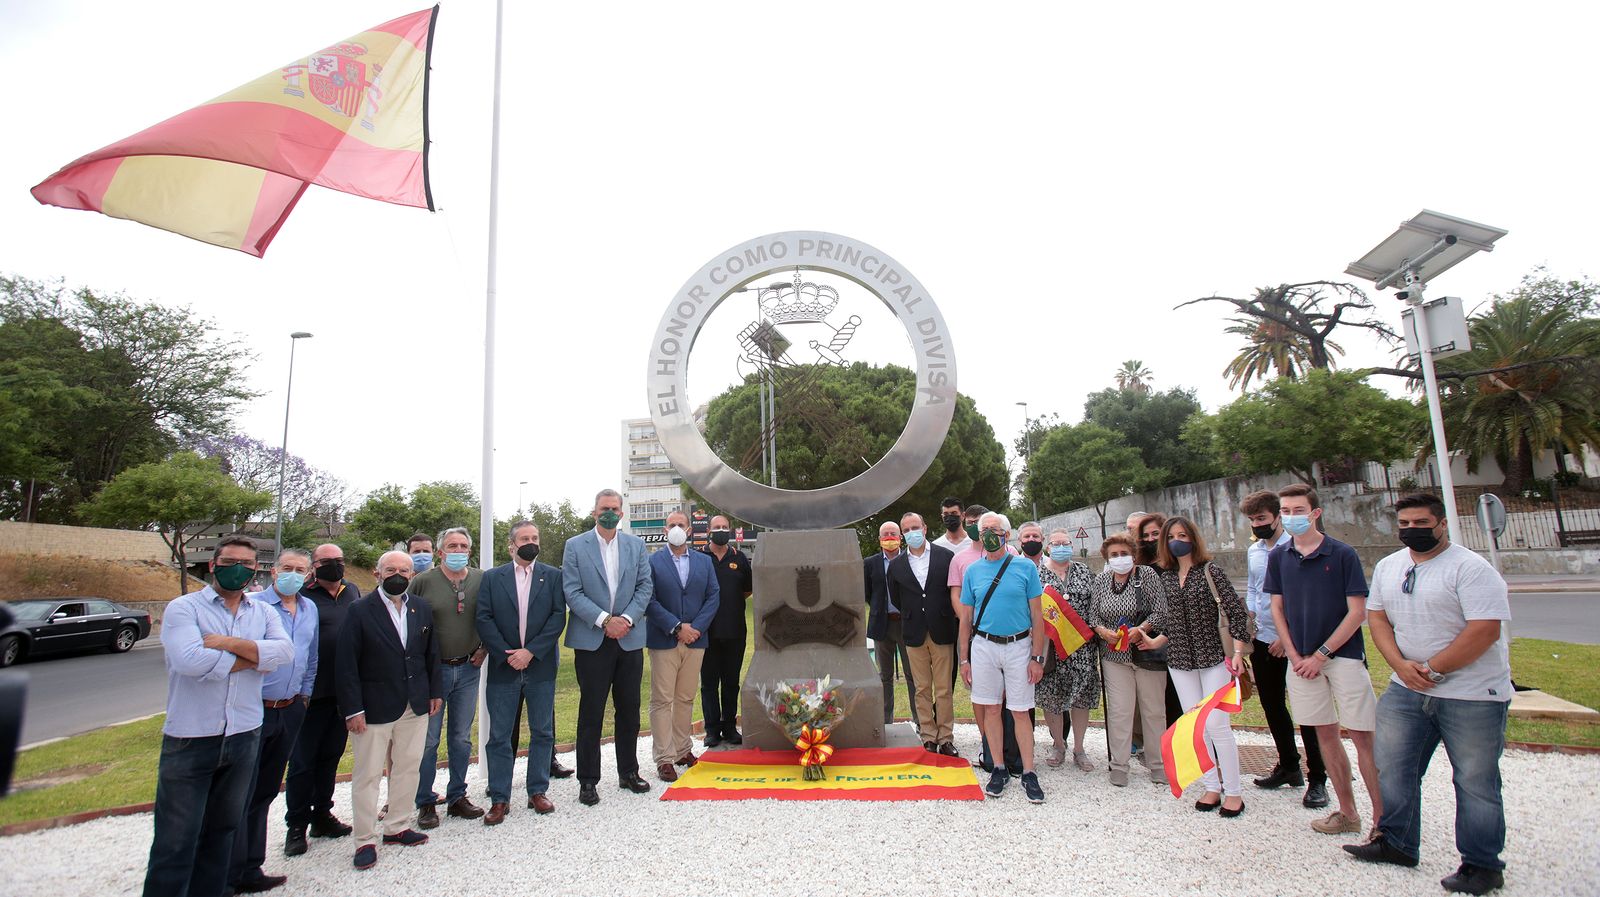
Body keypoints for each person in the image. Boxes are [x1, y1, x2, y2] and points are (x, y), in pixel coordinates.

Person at [1344, 494, 1513, 896]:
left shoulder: (1472, 569)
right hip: (1406, 689)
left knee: (1475, 780)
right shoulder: (1389, 566)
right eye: (1404, 523)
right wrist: (1401, 666)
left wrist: (1434, 668)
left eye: (1421, 522)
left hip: (1472, 694)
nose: (1411, 530)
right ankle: (1396, 841)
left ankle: (1482, 864)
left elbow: (1484, 630)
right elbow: (1378, 619)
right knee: (1394, 767)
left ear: (1442, 524)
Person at [144, 534, 293, 897]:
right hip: (191, 738)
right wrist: (255, 658)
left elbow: (284, 654)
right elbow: (189, 661)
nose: (237, 570)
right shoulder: (185, 608)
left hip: (244, 733)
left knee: (223, 832)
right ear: (213, 565)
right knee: (176, 841)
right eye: (229, 563)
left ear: (255, 569)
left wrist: (224, 643)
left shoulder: (262, 611)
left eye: (246, 564)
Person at [1266, 483, 1381, 839]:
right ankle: (1348, 812)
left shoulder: (1342, 554)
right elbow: (1277, 608)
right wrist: (1296, 653)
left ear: (1315, 513)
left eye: (1298, 510)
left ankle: (1384, 821)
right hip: (1300, 662)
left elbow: (1356, 612)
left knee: (1363, 737)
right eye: (1285, 511)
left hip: (1341, 657)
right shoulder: (1279, 557)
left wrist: (1321, 655)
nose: (1290, 517)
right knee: (1324, 736)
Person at [1138, 516, 1250, 817]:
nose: (1177, 540)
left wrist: (1238, 652)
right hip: (1180, 660)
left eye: (1182, 534)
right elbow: (1171, 621)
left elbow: (1235, 613)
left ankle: (1235, 792)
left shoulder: (1210, 571)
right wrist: (1154, 641)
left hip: (1213, 657)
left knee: (1216, 725)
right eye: (1172, 535)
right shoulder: (1167, 577)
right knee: (1196, 727)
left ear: (1193, 537)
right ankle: (1211, 786)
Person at [337, 550, 442, 870]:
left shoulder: (420, 607)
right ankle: (365, 839)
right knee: (367, 774)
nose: (398, 575)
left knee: (408, 767)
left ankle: (397, 826)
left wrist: (434, 692)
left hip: (415, 703)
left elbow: (429, 653)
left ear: (412, 575)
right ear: (377, 573)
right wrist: (353, 709)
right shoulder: (358, 610)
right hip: (373, 707)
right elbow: (346, 664)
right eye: (391, 569)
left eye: (405, 570)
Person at [230, 549, 319, 894]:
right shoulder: (253, 606)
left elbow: (310, 658)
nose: (293, 574)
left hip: (291, 706)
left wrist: (305, 695)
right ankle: (229, 868)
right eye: (287, 568)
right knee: (240, 791)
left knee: (266, 789)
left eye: (300, 569)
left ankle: (251, 866)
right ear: (274, 570)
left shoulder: (308, 608)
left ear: (308, 574)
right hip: (254, 708)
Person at [562, 488, 654, 805]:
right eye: (604, 508)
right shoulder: (575, 546)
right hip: (593, 640)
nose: (609, 512)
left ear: (622, 513)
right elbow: (572, 592)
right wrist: (605, 620)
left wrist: (626, 619)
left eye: (615, 508)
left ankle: (628, 772)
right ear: (594, 512)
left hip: (629, 639)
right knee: (592, 711)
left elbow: (645, 586)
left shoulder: (636, 545)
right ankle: (588, 781)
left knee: (629, 709)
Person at [1241, 489, 1329, 809]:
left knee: (1307, 709)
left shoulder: (1296, 548)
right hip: (1263, 638)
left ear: (1278, 516)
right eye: (1252, 520)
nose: (1257, 524)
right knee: (1272, 705)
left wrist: (1286, 636)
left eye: (1261, 518)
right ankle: (1289, 765)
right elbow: (1254, 591)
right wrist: (1249, 619)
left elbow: (1306, 597)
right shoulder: (1255, 551)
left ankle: (1318, 776)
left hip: (1295, 642)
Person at [477, 520, 566, 823]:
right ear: (511, 544)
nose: (531, 542)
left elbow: (557, 618)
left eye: (535, 537)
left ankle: (537, 791)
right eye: (524, 538)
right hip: (505, 667)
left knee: (542, 731)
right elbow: (484, 618)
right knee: (500, 735)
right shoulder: (492, 578)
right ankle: (500, 798)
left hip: (540, 666)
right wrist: (509, 655)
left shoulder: (553, 576)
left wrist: (531, 652)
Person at [957, 512, 1047, 804]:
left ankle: (1029, 771)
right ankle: (998, 767)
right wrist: (964, 659)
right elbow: (966, 619)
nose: (988, 535)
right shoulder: (972, 571)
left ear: (1006, 535)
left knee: (1020, 711)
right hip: (984, 646)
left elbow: (1037, 615)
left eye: (994, 530)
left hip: (1019, 645)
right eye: (984, 530)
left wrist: (1037, 657)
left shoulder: (1024, 568)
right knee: (992, 709)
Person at [283, 543, 361, 855]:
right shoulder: (303, 597)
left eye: (339, 560)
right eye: (326, 561)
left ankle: (322, 815)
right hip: (310, 695)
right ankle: (296, 826)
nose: (334, 565)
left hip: (342, 694)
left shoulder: (351, 591)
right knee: (302, 762)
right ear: (314, 566)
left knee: (330, 758)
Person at [407, 526, 487, 828]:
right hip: (434, 673)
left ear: (470, 549)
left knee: (461, 737)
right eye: (451, 546)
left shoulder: (480, 579)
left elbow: (490, 616)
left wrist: (485, 648)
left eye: (463, 546)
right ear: (441, 551)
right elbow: (409, 625)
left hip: (468, 668)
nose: (457, 551)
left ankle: (457, 796)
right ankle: (425, 801)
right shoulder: (423, 582)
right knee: (428, 741)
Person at [1087, 533, 1167, 787]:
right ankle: (1119, 764)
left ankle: (1158, 764)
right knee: (1120, 711)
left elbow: (1161, 609)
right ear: (1107, 558)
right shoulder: (1101, 581)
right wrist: (1102, 631)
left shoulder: (1147, 576)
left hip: (1145, 650)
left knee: (1153, 711)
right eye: (1114, 555)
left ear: (1133, 554)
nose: (1119, 558)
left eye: (1124, 554)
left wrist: (1141, 628)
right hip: (1113, 656)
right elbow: (1093, 616)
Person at [646, 510, 720, 781]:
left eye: (681, 524)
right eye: (671, 525)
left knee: (685, 698)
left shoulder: (704, 562)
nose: (676, 528)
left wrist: (696, 628)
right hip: (664, 640)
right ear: (665, 531)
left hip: (696, 640)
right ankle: (664, 758)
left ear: (689, 530)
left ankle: (682, 750)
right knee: (662, 699)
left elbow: (713, 596)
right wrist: (677, 627)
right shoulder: (652, 561)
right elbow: (649, 599)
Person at [886, 512, 957, 754]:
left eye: (915, 527)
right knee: (921, 688)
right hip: (914, 632)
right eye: (906, 530)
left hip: (942, 629)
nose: (911, 532)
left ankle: (946, 737)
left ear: (925, 528)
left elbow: (951, 591)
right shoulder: (896, 566)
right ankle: (928, 736)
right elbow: (897, 598)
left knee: (944, 688)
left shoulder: (945, 557)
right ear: (902, 534)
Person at [1035, 527, 1099, 772]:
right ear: (1048, 547)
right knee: (1052, 697)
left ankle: (1080, 748)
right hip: (1051, 648)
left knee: (1081, 697)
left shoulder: (1083, 571)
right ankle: (1058, 744)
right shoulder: (1038, 573)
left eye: (1065, 543)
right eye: (1056, 543)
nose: (1061, 547)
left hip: (1081, 647)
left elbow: (1095, 604)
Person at [700, 515, 752, 747]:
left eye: (724, 527)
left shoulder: (739, 558)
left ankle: (730, 727)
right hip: (706, 632)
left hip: (735, 631)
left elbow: (747, 590)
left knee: (731, 682)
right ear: (708, 531)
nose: (720, 530)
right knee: (709, 683)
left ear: (730, 530)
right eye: (716, 527)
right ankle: (711, 729)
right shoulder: (699, 557)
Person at [865, 519, 915, 728]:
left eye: (893, 534)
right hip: (881, 625)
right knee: (883, 676)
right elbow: (867, 592)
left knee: (913, 675)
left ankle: (920, 721)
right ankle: (886, 720)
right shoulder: (870, 563)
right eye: (885, 535)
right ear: (879, 539)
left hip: (907, 624)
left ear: (900, 538)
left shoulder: (911, 560)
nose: (889, 538)